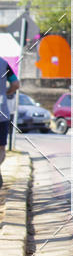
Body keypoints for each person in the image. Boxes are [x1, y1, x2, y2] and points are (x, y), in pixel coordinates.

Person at [0, 58, 19, 188]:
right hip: (2, 111)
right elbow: (16, 84)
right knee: (1, 148)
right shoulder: (3, 63)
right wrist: (5, 94)